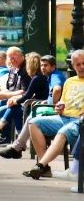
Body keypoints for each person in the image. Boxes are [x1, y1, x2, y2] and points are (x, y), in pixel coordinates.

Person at [14, 50, 84, 179]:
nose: (81, 67)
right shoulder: (69, 81)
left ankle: (40, 166)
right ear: (73, 66)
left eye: (83, 63)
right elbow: (63, 100)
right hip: (63, 117)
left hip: (78, 121)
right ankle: (45, 168)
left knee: (63, 132)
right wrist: (59, 105)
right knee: (33, 123)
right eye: (78, 64)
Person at [0, 52, 48, 140]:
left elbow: (27, 95)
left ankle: (2, 130)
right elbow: (29, 94)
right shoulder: (37, 77)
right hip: (31, 103)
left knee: (13, 107)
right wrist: (15, 99)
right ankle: (17, 137)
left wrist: (15, 101)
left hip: (34, 105)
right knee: (10, 107)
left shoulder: (37, 78)